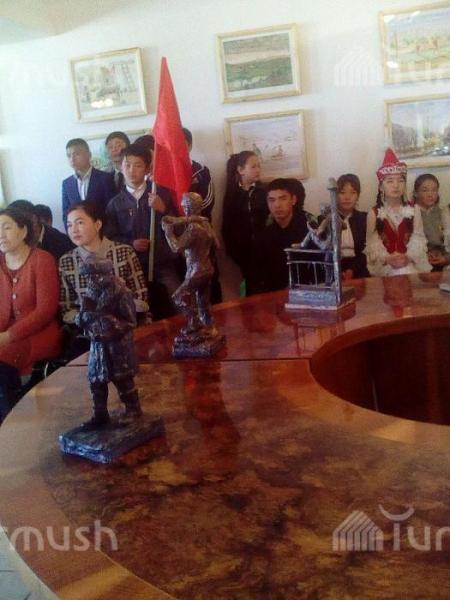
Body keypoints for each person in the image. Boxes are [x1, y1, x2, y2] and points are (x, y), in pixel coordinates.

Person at [104, 143, 182, 319]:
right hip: (131, 267)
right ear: (121, 167)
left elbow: (179, 227)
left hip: (162, 262)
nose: (132, 170)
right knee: (137, 311)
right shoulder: (115, 203)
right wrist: (131, 243)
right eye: (127, 165)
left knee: (179, 301)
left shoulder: (161, 194)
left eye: (138, 165)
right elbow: (110, 237)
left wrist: (163, 210)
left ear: (147, 168)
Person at [0, 207, 62, 419]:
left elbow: (45, 311)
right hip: (6, 336)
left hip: (37, 335)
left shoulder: (42, 259)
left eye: (6, 227)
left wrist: (8, 336)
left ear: (23, 230)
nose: (1, 235)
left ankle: (11, 423)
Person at [59, 201, 149, 329]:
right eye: (69, 225)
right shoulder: (66, 261)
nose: (73, 230)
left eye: (80, 223)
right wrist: (88, 318)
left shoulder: (124, 252)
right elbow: (67, 308)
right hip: (88, 330)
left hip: (126, 325)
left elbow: (141, 296)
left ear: (97, 225)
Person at [75, 257, 141, 430]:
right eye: (88, 276)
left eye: (94, 276)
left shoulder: (121, 292)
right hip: (98, 345)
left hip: (117, 346)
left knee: (123, 379)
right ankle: (100, 413)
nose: (91, 280)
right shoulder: (91, 292)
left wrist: (111, 324)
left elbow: (130, 321)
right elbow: (83, 316)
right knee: (96, 381)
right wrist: (83, 318)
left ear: (106, 274)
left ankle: (133, 409)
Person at [365, 148, 430, 277]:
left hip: (410, 263)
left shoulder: (414, 209)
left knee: (406, 272)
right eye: (390, 181)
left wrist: (408, 257)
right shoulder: (373, 213)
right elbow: (372, 244)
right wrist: (388, 258)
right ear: (381, 186)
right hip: (385, 266)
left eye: (400, 180)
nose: (396, 185)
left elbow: (419, 237)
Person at [183, 126, 222, 303]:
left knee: (209, 280)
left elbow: (208, 201)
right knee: (186, 282)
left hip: (202, 234)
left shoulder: (201, 171)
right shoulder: (164, 174)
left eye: (181, 144)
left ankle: (216, 315)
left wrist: (184, 215)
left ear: (190, 145)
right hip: (179, 236)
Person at [221, 150, 268, 296]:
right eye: (253, 166)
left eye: (259, 166)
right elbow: (227, 226)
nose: (258, 170)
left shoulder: (264, 191)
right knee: (252, 288)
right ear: (241, 170)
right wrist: (233, 250)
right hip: (244, 252)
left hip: (265, 249)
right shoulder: (232, 195)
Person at [257, 178, 312, 293]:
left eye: (283, 198)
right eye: (272, 200)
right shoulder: (264, 235)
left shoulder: (308, 230)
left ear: (293, 200)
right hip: (274, 294)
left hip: (307, 292)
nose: (277, 205)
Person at [62, 138, 115, 230]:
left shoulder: (105, 178)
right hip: (78, 235)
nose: (72, 159)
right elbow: (66, 214)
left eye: (77, 154)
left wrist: (106, 234)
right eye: (69, 155)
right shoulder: (67, 184)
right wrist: (72, 234)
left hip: (102, 233)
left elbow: (112, 211)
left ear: (89, 155)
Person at [9, 199, 74, 261]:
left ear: (34, 219)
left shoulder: (62, 243)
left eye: (19, 224)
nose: (15, 231)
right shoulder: (14, 244)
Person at [335, 174, 370, 280]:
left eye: (353, 192)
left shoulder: (365, 218)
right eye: (342, 192)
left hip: (359, 267)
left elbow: (367, 251)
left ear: (358, 196)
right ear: (335, 195)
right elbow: (324, 253)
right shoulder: (325, 220)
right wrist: (339, 271)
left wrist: (352, 270)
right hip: (334, 269)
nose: (347, 197)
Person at [413, 174, 450, 271]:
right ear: (416, 193)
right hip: (419, 260)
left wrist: (446, 258)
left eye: (434, 190)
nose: (430, 194)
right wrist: (424, 256)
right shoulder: (410, 214)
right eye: (425, 190)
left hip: (443, 259)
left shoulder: (443, 212)